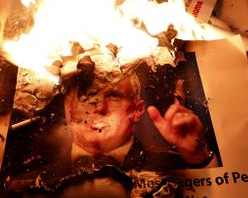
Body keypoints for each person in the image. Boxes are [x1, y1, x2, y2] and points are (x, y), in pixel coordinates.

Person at [61, 72, 216, 172]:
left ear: (138, 110)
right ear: (68, 108)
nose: (99, 107)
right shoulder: (38, 181)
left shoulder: (179, 168)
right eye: (86, 95)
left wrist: (196, 154)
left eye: (114, 96)